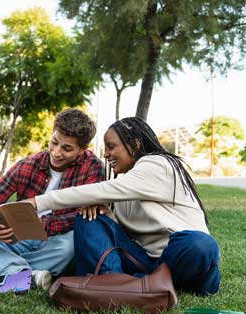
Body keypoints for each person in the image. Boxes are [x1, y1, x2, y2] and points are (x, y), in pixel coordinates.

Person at [29, 117, 220, 295]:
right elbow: (127, 239)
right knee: (89, 218)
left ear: (135, 145)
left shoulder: (157, 164)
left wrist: (37, 202)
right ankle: (116, 284)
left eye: (111, 146)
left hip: (182, 260)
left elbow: (97, 190)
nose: (106, 154)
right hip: (147, 262)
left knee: (199, 243)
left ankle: (131, 285)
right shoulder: (126, 183)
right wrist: (107, 218)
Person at [0, 108, 105, 289]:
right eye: (54, 142)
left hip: (55, 241)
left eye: (67, 149)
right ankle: (21, 271)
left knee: (71, 245)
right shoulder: (27, 165)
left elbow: (85, 215)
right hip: (17, 238)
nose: (56, 152)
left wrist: (44, 224)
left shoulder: (93, 167)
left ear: (82, 150)